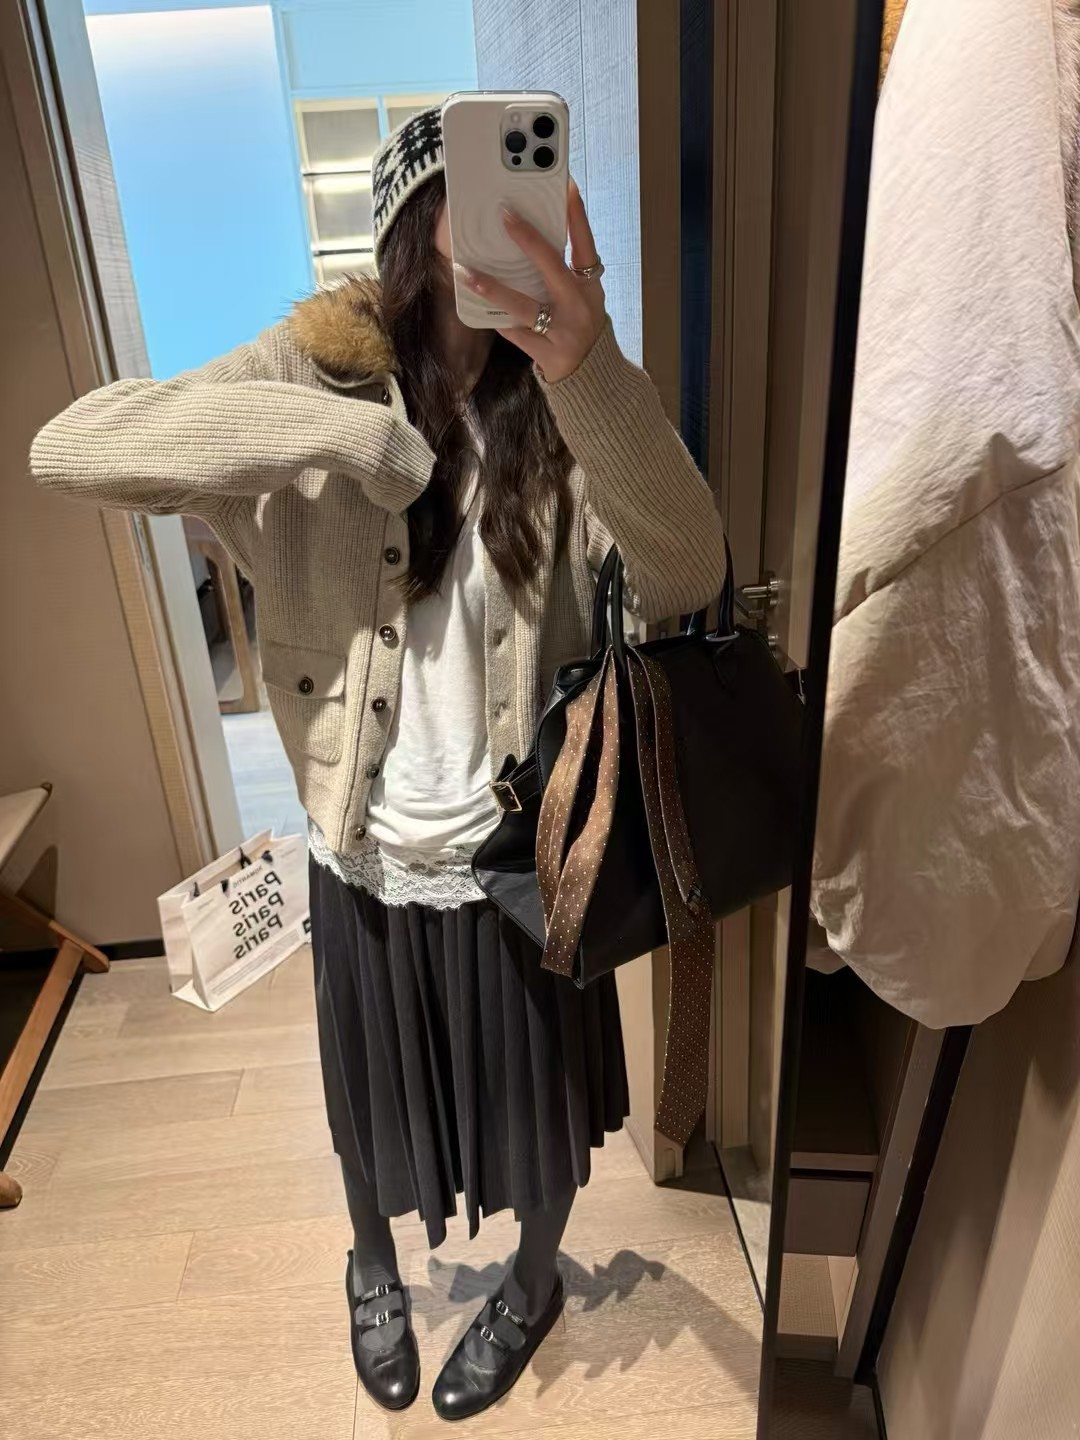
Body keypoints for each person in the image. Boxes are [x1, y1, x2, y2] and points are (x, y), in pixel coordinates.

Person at [31, 108, 726, 1418]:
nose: (501, 231)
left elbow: (691, 569)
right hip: (363, 843)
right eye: (473, 201)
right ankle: (370, 1266)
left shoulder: (568, 395)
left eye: (526, 202)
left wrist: (589, 364)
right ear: (413, 227)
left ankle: (531, 1284)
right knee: (369, 1102)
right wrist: (346, 440)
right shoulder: (317, 374)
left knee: (538, 1108)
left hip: (522, 850)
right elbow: (73, 447)